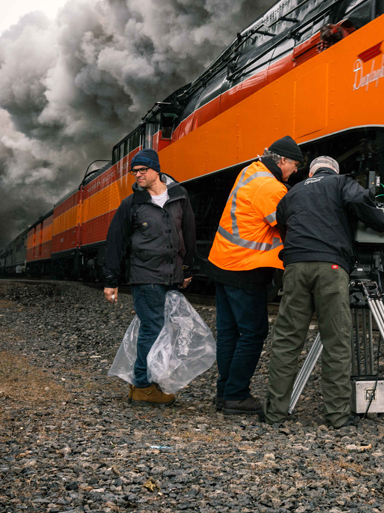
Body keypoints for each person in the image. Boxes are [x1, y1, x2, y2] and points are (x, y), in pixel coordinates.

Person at [263, 156, 384, 429]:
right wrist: (383, 223)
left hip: (295, 267)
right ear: (333, 170)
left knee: (287, 341)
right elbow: (360, 200)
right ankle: (337, 416)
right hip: (331, 267)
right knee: (336, 341)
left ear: (311, 173)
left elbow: (282, 224)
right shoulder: (341, 182)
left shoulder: (293, 192)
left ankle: (274, 413)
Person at [207, 135, 302, 415]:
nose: (296, 170)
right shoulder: (269, 187)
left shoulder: (251, 171)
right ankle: (236, 396)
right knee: (253, 333)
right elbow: (288, 223)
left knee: (228, 333)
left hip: (223, 261)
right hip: (245, 267)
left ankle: (224, 393)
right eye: (295, 165)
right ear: (282, 160)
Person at [102, 148, 197, 406]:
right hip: (145, 276)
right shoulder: (131, 204)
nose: (138, 175)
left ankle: (150, 382)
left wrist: (188, 269)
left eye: (142, 170)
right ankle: (142, 386)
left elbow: (188, 234)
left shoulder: (179, 196)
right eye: (134, 172)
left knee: (165, 329)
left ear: (156, 169)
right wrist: (111, 280)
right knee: (152, 328)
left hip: (171, 275)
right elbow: (115, 242)